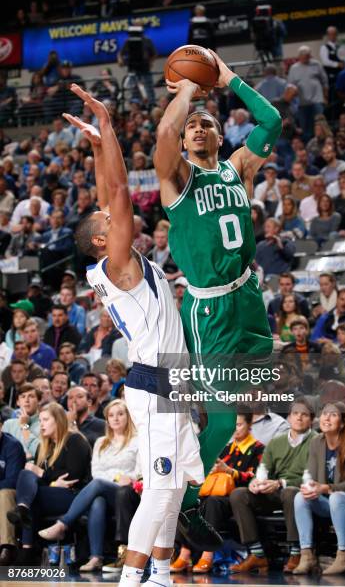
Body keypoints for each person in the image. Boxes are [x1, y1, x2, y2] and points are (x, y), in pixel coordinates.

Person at [63, 84, 208, 587]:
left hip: (161, 382)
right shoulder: (119, 262)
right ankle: (131, 581)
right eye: (108, 221)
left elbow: (109, 196)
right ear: (103, 240)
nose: (114, 213)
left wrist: (100, 147)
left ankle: (163, 574)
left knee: (170, 489)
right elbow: (120, 195)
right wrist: (106, 124)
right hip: (158, 382)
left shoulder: (111, 263)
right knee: (161, 490)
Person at [155, 49, 281, 508]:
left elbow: (273, 122)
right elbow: (165, 133)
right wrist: (187, 90)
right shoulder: (177, 178)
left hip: (247, 295)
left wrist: (229, 77)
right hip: (209, 308)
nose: (200, 128)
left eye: (207, 123)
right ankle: (186, 505)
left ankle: (192, 436)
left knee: (258, 386)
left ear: (221, 134)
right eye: (194, 125)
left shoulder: (239, 167)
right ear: (186, 142)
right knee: (227, 420)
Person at [39, 399, 140, 571]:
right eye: (111, 415)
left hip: (126, 492)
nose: (115, 418)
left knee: (99, 485)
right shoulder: (101, 442)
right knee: (97, 500)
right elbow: (96, 472)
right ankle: (96, 558)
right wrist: (116, 476)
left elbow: (138, 472)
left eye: (120, 414)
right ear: (107, 419)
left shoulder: (138, 441)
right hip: (106, 489)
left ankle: (63, 524)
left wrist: (124, 478)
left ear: (128, 417)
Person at [229, 399, 316, 574]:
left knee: (291, 493)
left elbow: (314, 477)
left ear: (311, 420)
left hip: (302, 493)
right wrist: (257, 483)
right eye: (295, 414)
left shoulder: (316, 441)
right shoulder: (277, 441)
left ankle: (296, 553)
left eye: (304, 415)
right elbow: (263, 469)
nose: (299, 418)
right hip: (274, 491)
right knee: (239, 494)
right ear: (289, 418)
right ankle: (257, 554)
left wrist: (280, 483)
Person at [170, 412, 264, 574]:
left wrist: (230, 471)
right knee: (188, 503)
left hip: (239, 497)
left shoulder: (258, 448)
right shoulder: (225, 447)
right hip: (214, 490)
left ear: (250, 425)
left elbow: (255, 476)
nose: (235, 429)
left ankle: (208, 553)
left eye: (240, 425)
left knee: (213, 502)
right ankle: (185, 552)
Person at [7, 402, 91, 564]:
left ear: (58, 420)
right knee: (26, 473)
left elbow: (73, 476)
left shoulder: (75, 440)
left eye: (45, 420)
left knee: (33, 491)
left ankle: (27, 549)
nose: (41, 425)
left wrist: (44, 474)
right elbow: (40, 479)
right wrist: (50, 480)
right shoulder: (44, 447)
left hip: (75, 497)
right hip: (51, 493)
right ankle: (22, 510)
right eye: (40, 420)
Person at [293, 402, 345, 575]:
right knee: (300, 497)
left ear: (342, 422)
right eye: (325, 413)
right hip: (328, 500)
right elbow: (311, 476)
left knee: (337, 497)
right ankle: (307, 555)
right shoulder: (316, 442)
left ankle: (343, 555)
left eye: (333, 415)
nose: (326, 417)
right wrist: (309, 487)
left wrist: (325, 488)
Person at [0, 412, 26, 565]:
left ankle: (7, 546)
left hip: (11, 492)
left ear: (1, 426)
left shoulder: (12, 446)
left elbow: (12, 480)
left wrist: (25, 425)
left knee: (4, 494)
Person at [287, 46, 328, 141]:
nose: (308, 58)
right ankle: (308, 149)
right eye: (305, 56)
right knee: (305, 129)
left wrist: (325, 97)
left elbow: (325, 81)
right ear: (300, 56)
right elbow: (290, 86)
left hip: (317, 101)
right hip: (302, 104)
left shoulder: (316, 64)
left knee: (320, 125)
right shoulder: (294, 68)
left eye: (309, 56)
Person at [2, 383, 40, 460]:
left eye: (31, 396)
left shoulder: (43, 424)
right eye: (23, 397)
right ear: (18, 402)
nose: (26, 400)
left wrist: (24, 425)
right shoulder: (8, 424)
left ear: (38, 401)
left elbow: (38, 451)